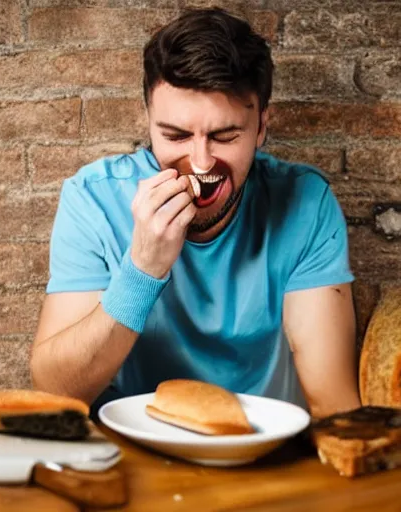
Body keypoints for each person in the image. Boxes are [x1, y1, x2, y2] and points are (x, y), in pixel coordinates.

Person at [31, 7, 361, 419]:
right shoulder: (93, 200)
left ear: (260, 127)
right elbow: (57, 391)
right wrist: (143, 268)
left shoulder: (305, 203)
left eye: (224, 136)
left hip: (264, 452)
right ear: (149, 122)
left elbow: (333, 403)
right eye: (175, 135)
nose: (201, 161)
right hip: (136, 454)